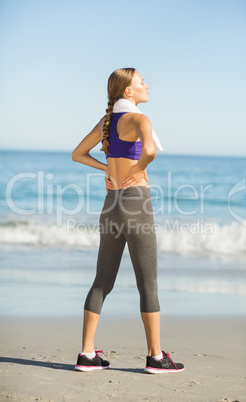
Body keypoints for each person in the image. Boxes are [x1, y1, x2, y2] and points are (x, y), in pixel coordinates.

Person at [72, 68, 184, 374]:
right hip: (136, 202)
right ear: (128, 92)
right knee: (148, 284)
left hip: (111, 204)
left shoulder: (107, 123)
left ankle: (86, 354)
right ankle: (155, 357)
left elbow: (77, 154)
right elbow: (149, 151)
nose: (147, 85)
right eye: (141, 82)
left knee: (102, 282)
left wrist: (107, 171)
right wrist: (138, 169)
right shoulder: (140, 119)